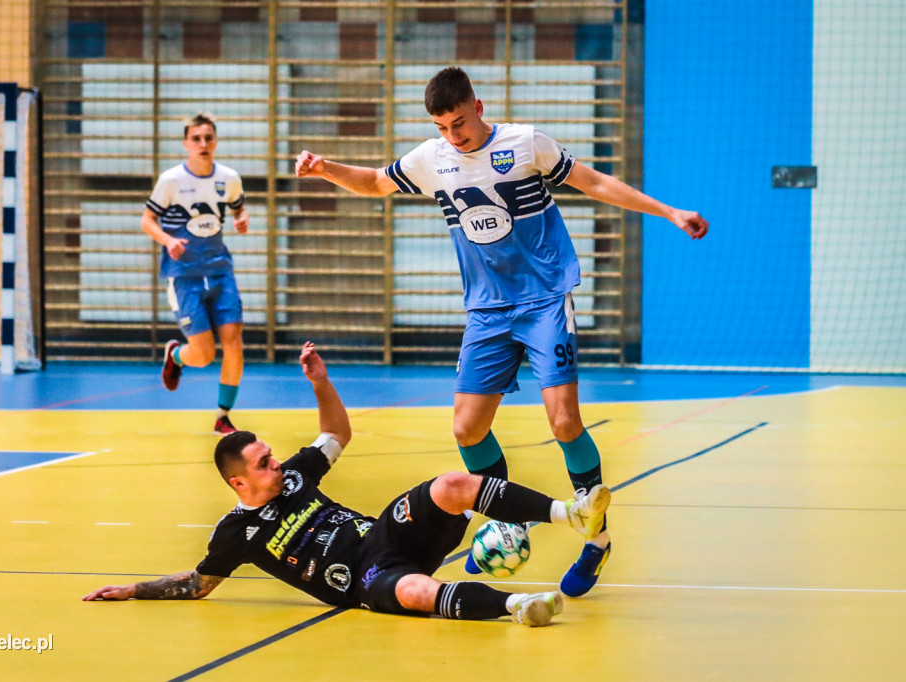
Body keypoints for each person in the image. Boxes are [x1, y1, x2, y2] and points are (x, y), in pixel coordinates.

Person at [294, 66, 708, 596]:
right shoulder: (432, 158)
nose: (453, 135)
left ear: (479, 107)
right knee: (467, 429)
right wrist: (325, 167)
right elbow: (376, 182)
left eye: (460, 122)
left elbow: (596, 183)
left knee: (563, 422)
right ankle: (509, 518)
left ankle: (598, 541)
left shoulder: (525, 143)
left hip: (543, 302)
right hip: (487, 311)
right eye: (443, 126)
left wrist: (669, 212)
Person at [83, 342, 612, 627]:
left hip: (387, 537)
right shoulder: (235, 534)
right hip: (366, 580)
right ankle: (517, 607)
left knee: (451, 483)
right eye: (264, 462)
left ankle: (573, 513)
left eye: (271, 456)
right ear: (239, 483)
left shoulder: (293, 477)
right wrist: (134, 589)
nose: (277, 463)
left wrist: (322, 382)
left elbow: (336, 432)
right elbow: (197, 583)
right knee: (413, 592)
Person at [143, 112, 249, 435]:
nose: (203, 144)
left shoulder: (228, 178)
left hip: (220, 271)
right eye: (197, 139)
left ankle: (222, 416)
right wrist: (168, 240)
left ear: (216, 142)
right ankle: (175, 355)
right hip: (185, 275)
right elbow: (147, 220)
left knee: (234, 342)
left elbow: (238, 206)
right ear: (186, 144)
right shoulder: (172, 181)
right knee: (203, 355)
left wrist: (241, 219)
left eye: (209, 138)